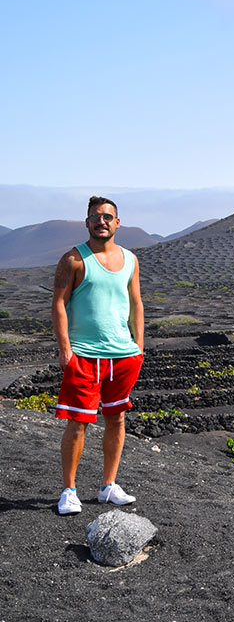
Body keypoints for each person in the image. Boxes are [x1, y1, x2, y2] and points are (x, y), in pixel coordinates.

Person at [51, 196, 144, 515]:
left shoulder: (131, 259)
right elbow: (59, 304)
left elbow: (136, 303)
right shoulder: (74, 259)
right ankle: (69, 490)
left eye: (108, 217)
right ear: (87, 222)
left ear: (117, 223)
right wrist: (65, 348)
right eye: (95, 217)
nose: (101, 221)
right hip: (85, 355)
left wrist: (139, 348)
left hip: (123, 355)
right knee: (78, 422)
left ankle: (108, 486)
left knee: (116, 418)